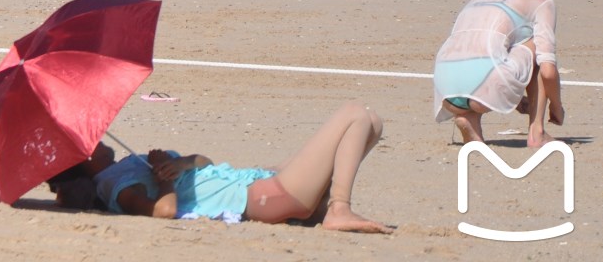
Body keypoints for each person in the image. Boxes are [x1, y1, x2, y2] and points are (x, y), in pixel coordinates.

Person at [47, 102, 390, 232]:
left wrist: (178, 163)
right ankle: (338, 208)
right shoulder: (115, 186)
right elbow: (163, 212)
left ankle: (325, 207)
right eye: (86, 144)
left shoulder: (126, 166)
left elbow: (205, 165)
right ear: (83, 164)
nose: (94, 138)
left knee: (371, 121)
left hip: (259, 181)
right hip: (264, 197)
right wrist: (162, 179)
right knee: (353, 114)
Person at [433, 0, 562, 149]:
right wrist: (556, 105)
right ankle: (537, 131)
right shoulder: (541, 0)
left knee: (490, 48)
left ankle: (468, 118)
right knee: (538, 45)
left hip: (446, 90)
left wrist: (518, 100)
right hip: (484, 88)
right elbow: (547, 71)